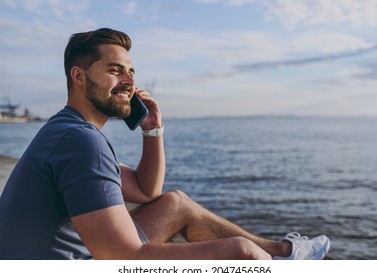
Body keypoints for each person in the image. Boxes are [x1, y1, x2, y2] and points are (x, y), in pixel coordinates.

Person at [0, 28, 330, 260]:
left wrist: (153, 130)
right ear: (79, 77)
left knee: (177, 203)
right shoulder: (81, 141)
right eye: (115, 71)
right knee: (241, 255)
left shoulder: (67, 130)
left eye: (131, 72)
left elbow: (147, 192)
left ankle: (282, 252)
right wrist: (238, 252)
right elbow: (123, 259)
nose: (129, 82)